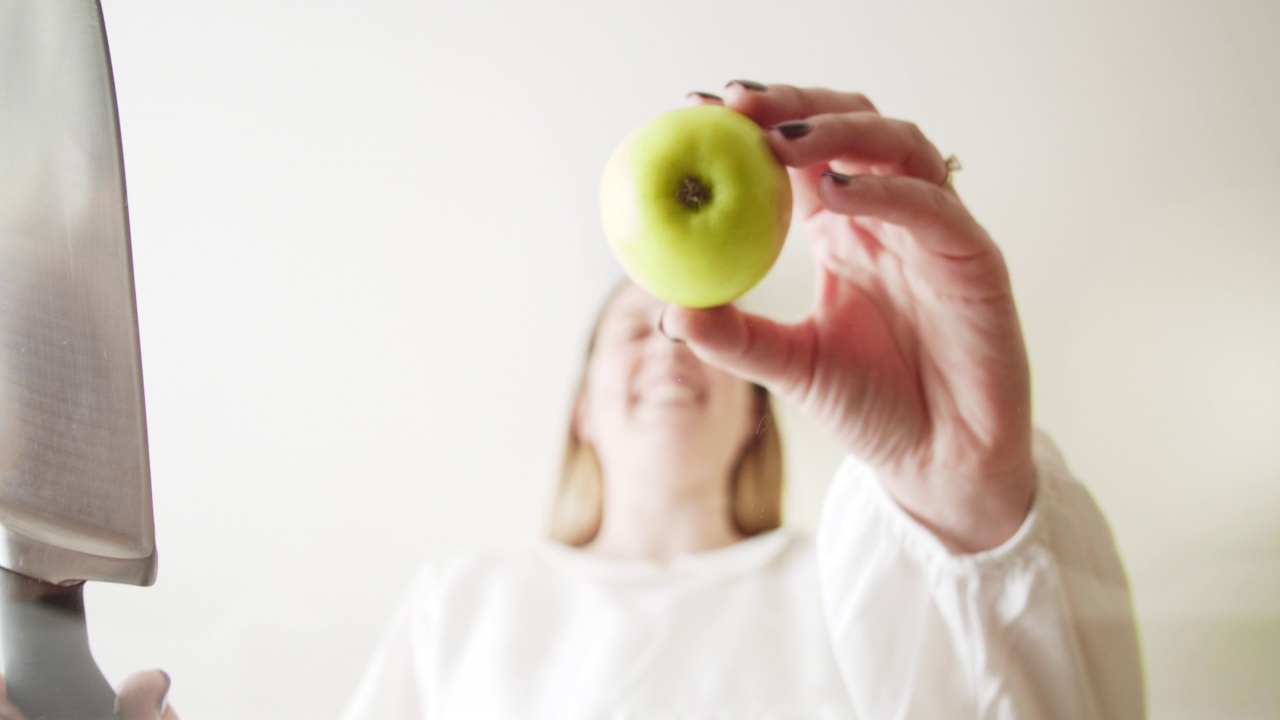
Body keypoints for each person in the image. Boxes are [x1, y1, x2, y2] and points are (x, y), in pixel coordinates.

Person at [0, 81, 1145, 718]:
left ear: (757, 406)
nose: (669, 351)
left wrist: (974, 501)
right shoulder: (468, 604)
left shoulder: (869, 572)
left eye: (703, 340)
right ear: (584, 410)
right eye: (628, 335)